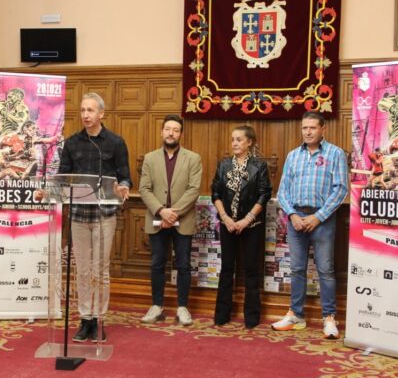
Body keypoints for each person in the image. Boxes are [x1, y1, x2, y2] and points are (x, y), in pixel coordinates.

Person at [58, 92, 131, 342]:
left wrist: (123, 187)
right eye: (82, 110)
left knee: (100, 269)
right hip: (78, 215)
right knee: (83, 269)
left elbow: (124, 175)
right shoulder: (71, 143)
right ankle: (84, 319)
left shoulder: (115, 142)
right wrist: (50, 191)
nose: (85, 115)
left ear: (101, 113)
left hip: (104, 214)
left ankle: (99, 319)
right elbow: (62, 176)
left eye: (90, 110)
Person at [272, 111, 348, 339]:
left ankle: (329, 318)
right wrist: (293, 215)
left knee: (325, 270)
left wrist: (319, 216)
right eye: (304, 128)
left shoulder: (335, 154)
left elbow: (341, 188)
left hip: (322, 219)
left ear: (323, 129)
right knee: (296, 269)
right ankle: (296, 315)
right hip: (296, 219)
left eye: (313, 128)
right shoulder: (293, 155)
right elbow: (283, 190)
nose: (308, 132)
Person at [139, 114, 202, 326]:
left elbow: (194, 189)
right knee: (157, 263)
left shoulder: (193, 158)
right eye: (168, 129)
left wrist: (173, 212)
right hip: (157, 220)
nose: (171, 133)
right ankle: (156, 306)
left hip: (182, 221)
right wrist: (161, 211)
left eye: (175, 130)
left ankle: (183, 307)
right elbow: (144, 189)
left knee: (183, 264)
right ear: (162, 132)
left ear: (181, 134)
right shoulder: (150, 158)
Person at [211, 126, 272, 329]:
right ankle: (222, 314)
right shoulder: (224, 165)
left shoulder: (259, 166)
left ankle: (252, 317)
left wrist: (246, 220)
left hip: (252, 225)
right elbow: (216, 193)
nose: (235, 143)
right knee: (227, 268)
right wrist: (225, 218)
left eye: (239, 139)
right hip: (227, 224)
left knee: (251, 270)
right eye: (233, 140)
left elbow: (264, 194)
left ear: (249, 143)